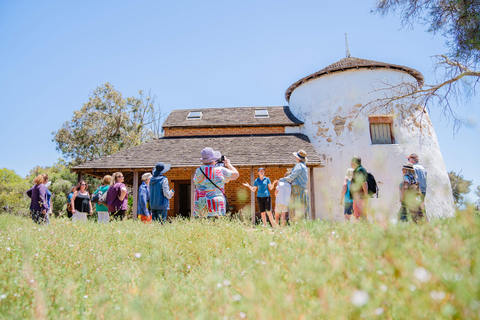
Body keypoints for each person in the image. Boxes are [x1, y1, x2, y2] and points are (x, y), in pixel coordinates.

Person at [194, 147, 239, 218]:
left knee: (203, 227)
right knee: (216, 226)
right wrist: (228, 164)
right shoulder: (220, 170)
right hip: (216, 204)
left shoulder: (198, 171)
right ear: (214, 159)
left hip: (201, 204)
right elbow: (236, 174)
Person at [283, 149, 309, 221]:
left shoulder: (299, 165)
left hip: (297, 190)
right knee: (302, 210)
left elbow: (292, 176)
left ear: (298, 158)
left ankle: (296, 225)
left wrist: (282, 179)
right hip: (303, 189)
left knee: (296, 210)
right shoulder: (304, 166)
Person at [350, 156, 368, 220]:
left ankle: (363, 228)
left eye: (352, 162)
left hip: (360, 197)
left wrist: (365, 194)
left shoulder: (359, 170)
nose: (351, 164)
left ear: (355, 162)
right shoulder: (360, 169)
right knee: (359, 214)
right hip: (359, 197)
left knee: (359, 215)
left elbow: (364, 182)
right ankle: (363, 228)